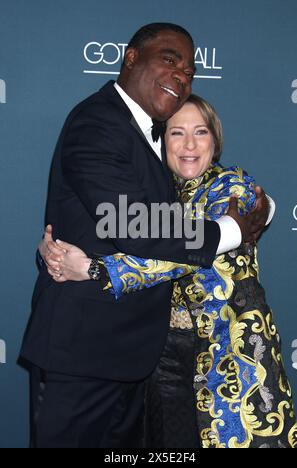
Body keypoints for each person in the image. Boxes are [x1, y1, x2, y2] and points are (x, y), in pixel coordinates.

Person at [21, 23, 273, 448]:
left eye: (190, 72)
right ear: (131, 57)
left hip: (137, 359)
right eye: (169, 60)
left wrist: (92, 266)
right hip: (83, 356)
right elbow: (128, 222)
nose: (181, 76)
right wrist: (230, 231)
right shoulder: (99, 121)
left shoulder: (147, 138)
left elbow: (100, 223)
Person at [45, 95, 297, 449]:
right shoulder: (154, 195)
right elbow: (112, 231)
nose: (190, 145)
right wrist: (54, 252)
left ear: (215, 140)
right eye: (177, 133)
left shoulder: (232, 186)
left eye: (201, 132)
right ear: (162, 142)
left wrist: (97, 269)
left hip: (233, 349)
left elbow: (177, 255)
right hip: (162, 357)